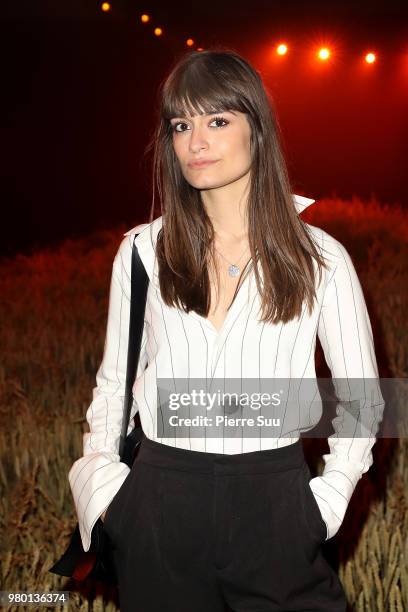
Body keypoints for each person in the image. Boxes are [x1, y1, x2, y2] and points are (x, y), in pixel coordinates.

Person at [68, 48, 384, 611]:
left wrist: (327, 500)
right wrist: (107, 495)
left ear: (256, 130)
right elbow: (113, 384)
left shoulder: (321, 259)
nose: (196, 141)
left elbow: (363, 397)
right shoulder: (142, 252)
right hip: (160, 497)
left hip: (275, 497)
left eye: (217, 121)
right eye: (181, 125)